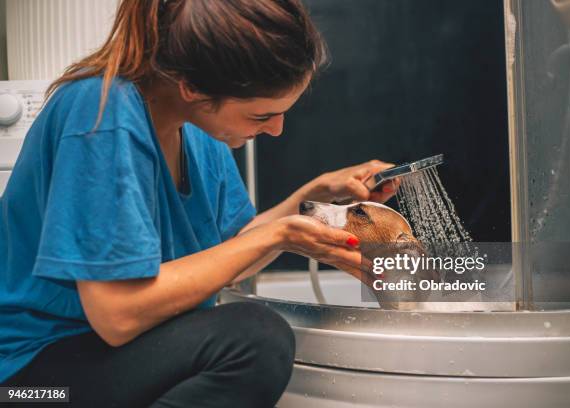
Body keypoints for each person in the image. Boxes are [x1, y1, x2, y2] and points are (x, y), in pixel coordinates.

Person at [0, 0, 396, 406]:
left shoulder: (199, 129)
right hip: (31, 380)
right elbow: (117, 315)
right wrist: (279, 233)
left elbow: (228, 254)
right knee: (254, 338)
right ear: (193, 89)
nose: (277, 130)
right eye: (261, 116)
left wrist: (314, 199)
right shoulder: (101, 115)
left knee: (255, 335)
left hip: (116, 356)